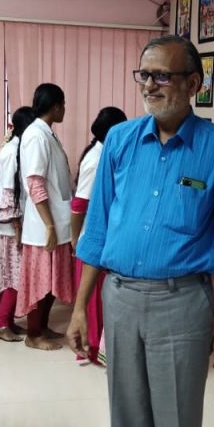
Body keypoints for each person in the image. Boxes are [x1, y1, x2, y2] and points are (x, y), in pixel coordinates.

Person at [67, 35, 214, 427]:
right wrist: (80, 307)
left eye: (162, 76)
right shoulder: (120, 140)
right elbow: (98, 228)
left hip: (182, 304)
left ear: (193, 84)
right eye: (144, 75)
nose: (149, 85)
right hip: (120, 299)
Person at [17, 83, 74, 351]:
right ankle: (33, 334)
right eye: (63, 105)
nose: (65, 110)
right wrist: (49, 225)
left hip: (56, 220)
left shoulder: (47, 134)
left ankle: (41, 326)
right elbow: (35, 183)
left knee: (52, 282)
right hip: (44, 225)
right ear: (56, 106)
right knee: (40, 284)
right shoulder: (36, 136)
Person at [69, 105, 127, 365]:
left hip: (104, 240)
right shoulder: (95, 160)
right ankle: (91, 348)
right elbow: (79, 204)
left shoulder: (105, 153)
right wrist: (75, 240)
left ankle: (99, 347)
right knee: (92, 301)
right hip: (91, 241)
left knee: (101, 300)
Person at [0, 106, 33, 342]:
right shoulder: (12, 152)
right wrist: (17, 227)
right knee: (15, 276)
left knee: (12, 276)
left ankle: (8, 322)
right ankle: (1, 324)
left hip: (8, 225)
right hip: (9, 227)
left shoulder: (15, 148)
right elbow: (8, 192)